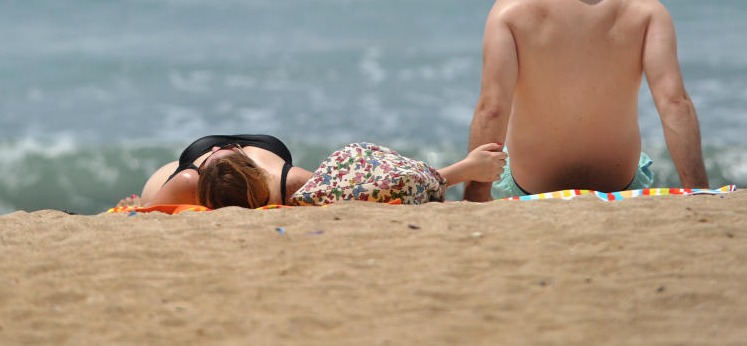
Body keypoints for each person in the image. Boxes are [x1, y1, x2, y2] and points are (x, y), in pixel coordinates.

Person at [463, 0, 709, 202]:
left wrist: (475, 195)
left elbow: (492, 108)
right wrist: (699, 191)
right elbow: (674, 103)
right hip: (618, 182)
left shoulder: (510, 10)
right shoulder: (645, 9)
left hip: (532, 185)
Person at [121, 133, 506, 208]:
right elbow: (378, 184)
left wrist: (141, 205)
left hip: (199, 158)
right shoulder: (287, 185)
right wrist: (460, 170)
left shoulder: (188, 181)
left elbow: (143, 210)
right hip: (204, 157)